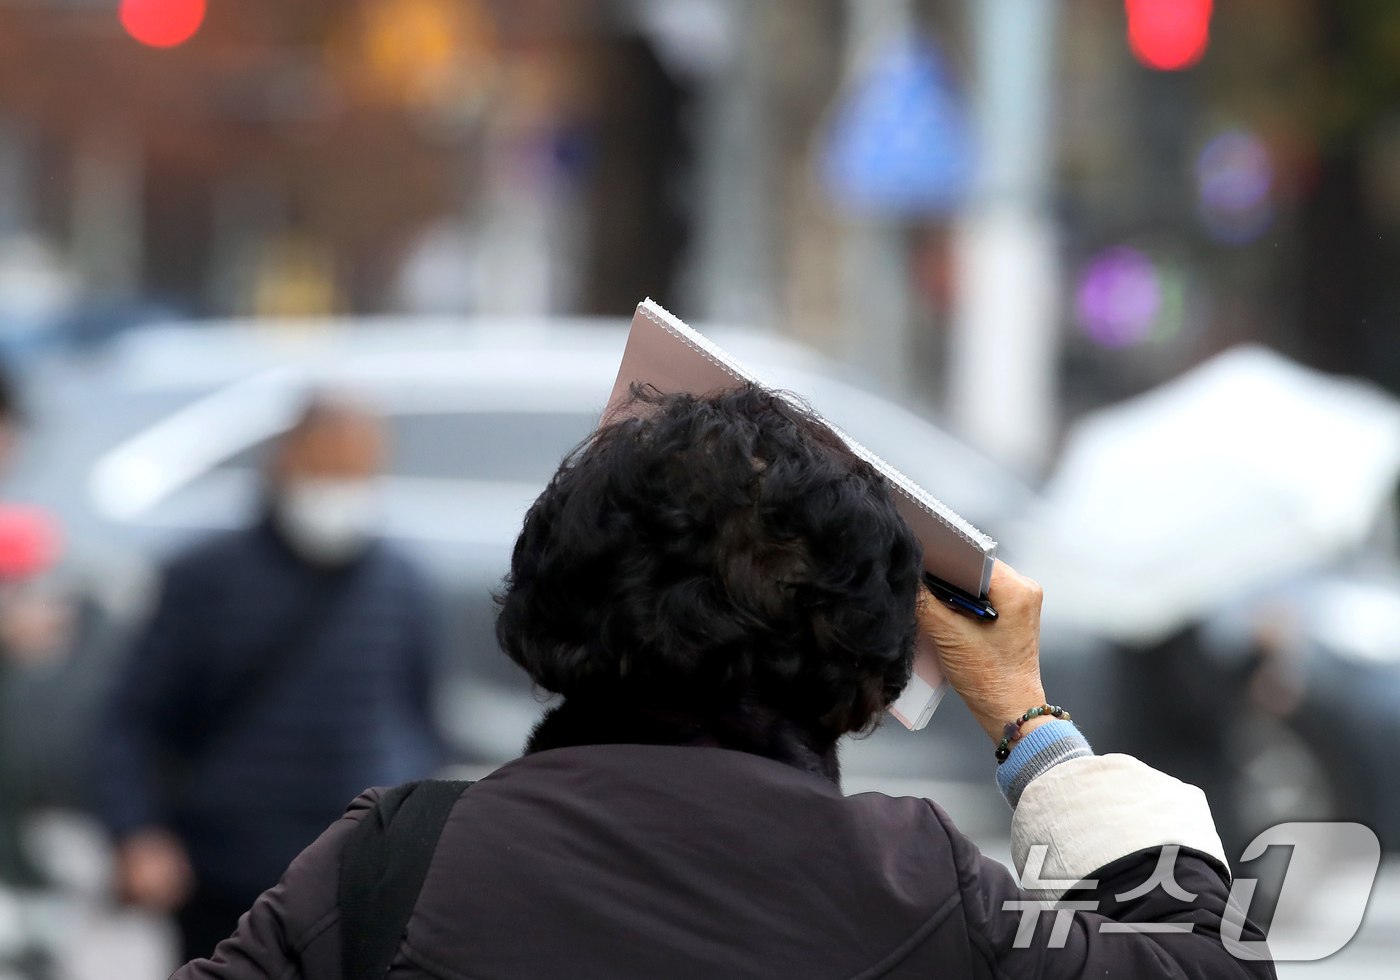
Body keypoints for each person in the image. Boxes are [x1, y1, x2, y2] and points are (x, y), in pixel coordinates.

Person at [174, 385, 1272, 979]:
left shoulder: (395, 862)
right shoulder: (912, 888)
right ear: (861, 666)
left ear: (548, 601)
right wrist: (1026, 721)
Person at [97, 394, 444, 964]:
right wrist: (137, 833)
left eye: (354, 471)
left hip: (360, 884)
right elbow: (131, 721)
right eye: (323, 468)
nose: (339, 488)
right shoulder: (204, 578)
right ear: (282, 465)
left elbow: (420, 721)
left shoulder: (401, 584)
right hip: (226, 876)